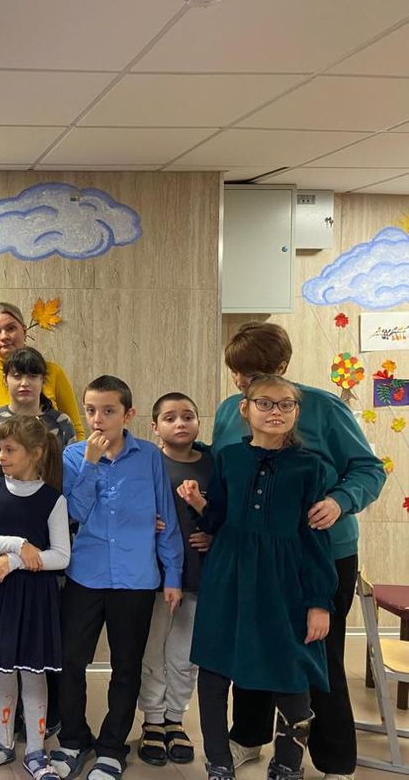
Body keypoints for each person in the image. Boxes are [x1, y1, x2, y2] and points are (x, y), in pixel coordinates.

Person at [213, 323, 385, 780]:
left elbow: (368, 469)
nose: (243, 382)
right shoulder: (231, 410)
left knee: (318, 652)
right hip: (254, 553)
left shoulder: (323, 407)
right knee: (252, 643)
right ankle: (249, 736)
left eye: (254, 374)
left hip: (320, 552)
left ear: (283, 367)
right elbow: (225, 470)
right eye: (238, 373)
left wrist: (340, 501)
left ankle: (335, 759)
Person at [181, 374, 338, 780]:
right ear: (245, 408)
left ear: (296, 412)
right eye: (265, 403)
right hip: (227, 576)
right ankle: (218, 761)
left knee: (291, 667)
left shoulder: (310, 466)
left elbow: (315, 540)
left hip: (284, 583)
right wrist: (197, 503)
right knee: (214, 668)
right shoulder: (230, 457)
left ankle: (287, 764)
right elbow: (218, 514)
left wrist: (319, 602)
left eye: (286, 404)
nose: (275, 412)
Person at [54, 375, 183, 780]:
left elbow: (166, 517)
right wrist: (90, 464)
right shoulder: (74, 456)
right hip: (85, 575)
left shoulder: (149, 457)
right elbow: (73, 513)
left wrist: (173, 573)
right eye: (91, 410)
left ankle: (112, 748)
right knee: (70, 661)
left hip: (136, 578)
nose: (98, 419)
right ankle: (73, 740)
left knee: (127, 667)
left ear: (128, 415)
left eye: (108, 411)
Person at [0, 415, 71, 779]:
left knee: (34, 675)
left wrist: (15, 561)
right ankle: (2, 743)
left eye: (10, 450)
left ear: (35, 453)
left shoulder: (53, 500)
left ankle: (36, 752)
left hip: (34, 599)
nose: (1, 456)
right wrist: (18, 544)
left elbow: (61, 557)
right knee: (2, 671)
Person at [136, 393, 214, 767]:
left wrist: (210, 528)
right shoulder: (148, 462)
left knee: (185, 653)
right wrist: (143, 522)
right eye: (170, 418)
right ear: (155, 427)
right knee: (153, 649)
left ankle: (174, 718)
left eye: (188, 416)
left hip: (199, 574)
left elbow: (227, 515)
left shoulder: (213, 464)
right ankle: (152, 719)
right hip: (155, 576)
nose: (180, 423)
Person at [0, 302, 83, 440]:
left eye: (11, 328)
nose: (4, 336)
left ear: (24, 331)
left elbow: (76, 430)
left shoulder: (52, 371)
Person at [0, 346, 77, 478]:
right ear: (5, 379)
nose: (24, 383)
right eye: (17, 376)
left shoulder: (61, 423)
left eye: (32, 376)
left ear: (43, 380)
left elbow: (70, 475)